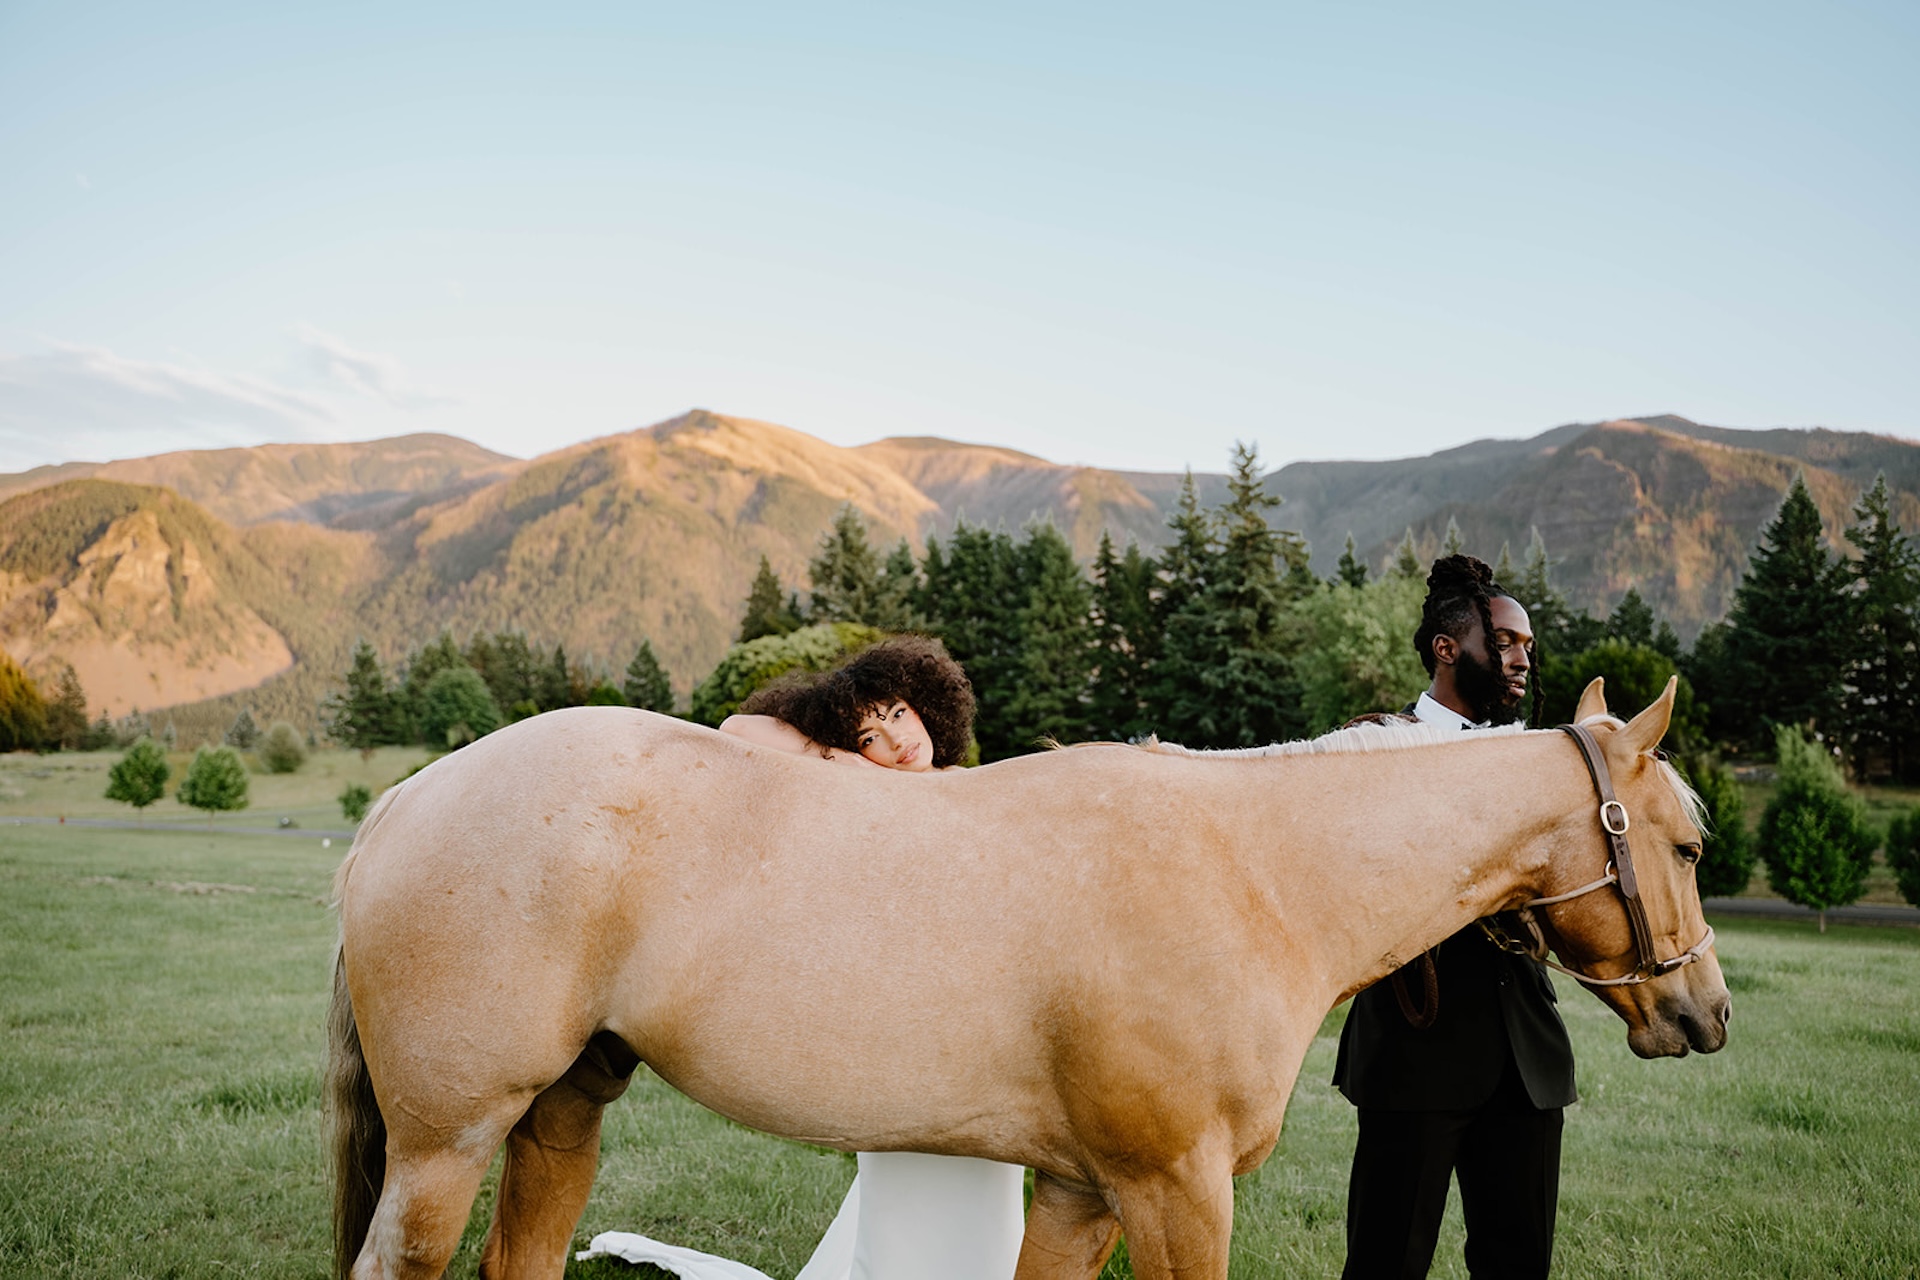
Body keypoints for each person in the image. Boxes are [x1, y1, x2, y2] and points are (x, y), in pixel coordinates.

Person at [579, 636, 1026, 1280]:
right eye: (870, 734)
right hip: (908, 1019)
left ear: (927, 707)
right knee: (906, 1190)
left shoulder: (979, 788)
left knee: (989, 1193)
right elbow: (740, 728)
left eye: (897, 713)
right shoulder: (865, 795)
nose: (894, 738)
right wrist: (847, 761)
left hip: (985, 1022)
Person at [1331, 555, 1575, 1280]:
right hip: (1412, 1056)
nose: (1523, 659)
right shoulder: (1374, 750)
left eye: (1528, 646)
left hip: (1528, 1059)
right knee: (1385, 1266)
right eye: (1507, 642)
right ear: (1448, 648)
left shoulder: (1534, 758)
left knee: (1519, 1265)